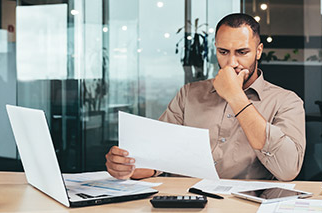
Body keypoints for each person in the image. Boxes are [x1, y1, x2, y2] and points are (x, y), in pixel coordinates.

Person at [105, 13, 306, 181]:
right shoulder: (188, 94)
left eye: (242, 52)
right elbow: (157, 159)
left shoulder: (287, 102)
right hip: (184, 207)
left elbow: (288, 169)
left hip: (243, 212)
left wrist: (236, 97)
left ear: (258, 51)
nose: (231, 62)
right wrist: (128, 166)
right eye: (223, 52)